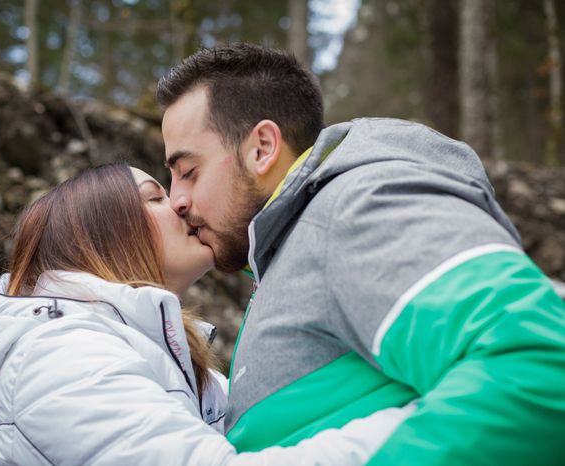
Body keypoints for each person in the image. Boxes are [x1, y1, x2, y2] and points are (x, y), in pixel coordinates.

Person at [157, 43, 565, 465]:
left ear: (262, 148)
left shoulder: (355, 208)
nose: (176, 200)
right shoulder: (293, 249)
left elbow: (538, 360)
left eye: (188, 172)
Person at [0, 162, 415, 465]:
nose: (181, 204)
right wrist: (424, 421)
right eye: (154, 197)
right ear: (102, 233)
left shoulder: (156, 356)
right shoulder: (60, 358)